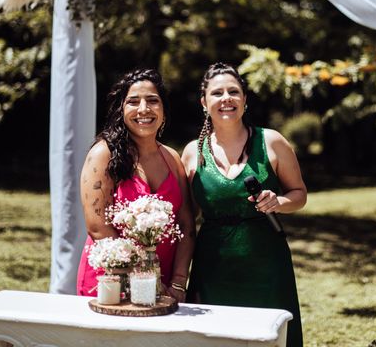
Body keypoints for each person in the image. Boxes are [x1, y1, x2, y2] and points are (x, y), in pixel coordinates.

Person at [181, 62, 307, 347]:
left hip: (265, 262)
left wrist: (278, 201)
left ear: (244, 100)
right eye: (217, 93)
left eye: (233, 92)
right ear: (204, 103)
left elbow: (299, 193)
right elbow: (188, 216)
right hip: (213, 264)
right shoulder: (192, 152)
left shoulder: (272, 142)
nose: (226, 98)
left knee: (269, 337)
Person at [76, 69, 195, 301]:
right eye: (133, 101)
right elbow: (97, 227)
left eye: (153, 100)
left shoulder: (172, 158)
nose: (144, 109)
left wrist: (178, 283)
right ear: (121, 109)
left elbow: (187, 225)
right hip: (111, 281)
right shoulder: (103, 155)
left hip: (166, 286)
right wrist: (146, 279)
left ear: (163, 110)